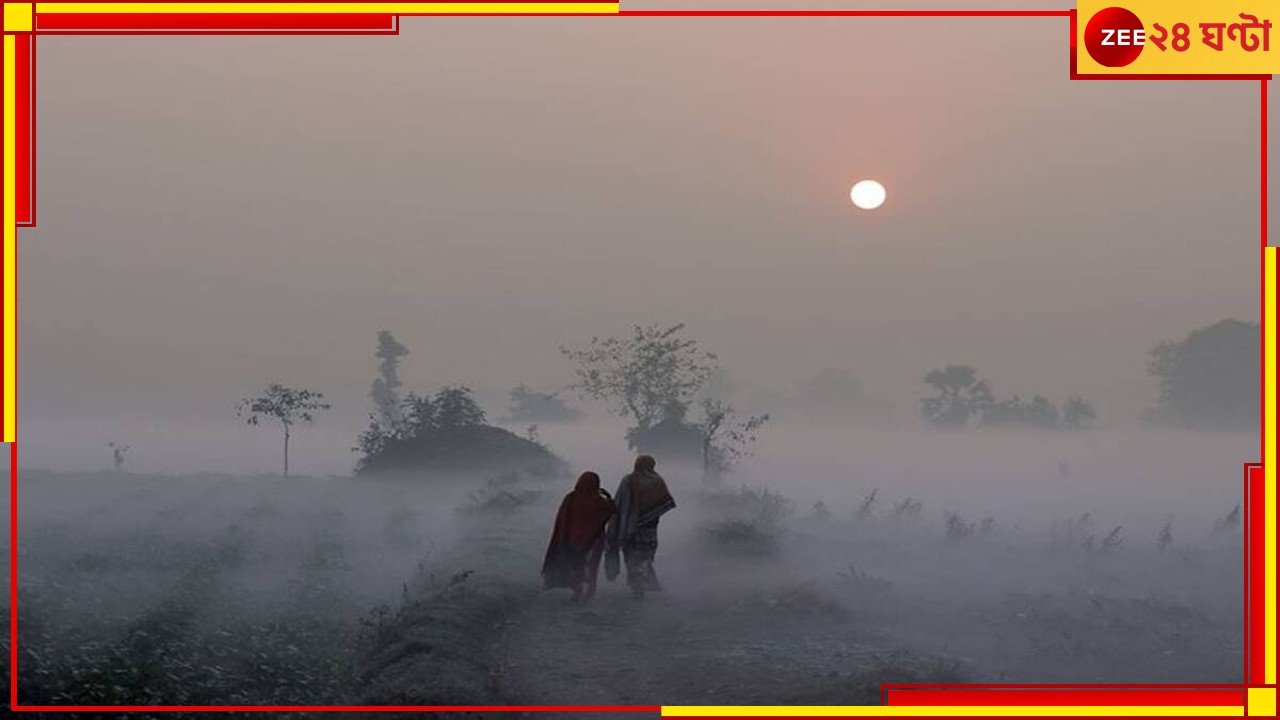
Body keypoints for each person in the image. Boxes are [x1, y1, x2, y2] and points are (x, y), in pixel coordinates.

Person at [605, 455, 676, 599]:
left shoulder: (628, 480)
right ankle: (641, 580)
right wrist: (650, 515)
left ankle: (636, 583)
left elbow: (619, 502)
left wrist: (620, 520)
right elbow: (664, 504)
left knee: (630, 555)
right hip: (650, 528)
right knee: (646, 556)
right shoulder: (658, 481)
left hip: (630, 527)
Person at [542, 471, 616, 603]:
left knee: (575, 565)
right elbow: (611, 509)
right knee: (590, 567)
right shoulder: (599, 501)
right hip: (593, 541)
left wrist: (562, 537)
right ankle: (587, 593)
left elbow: (562, 518)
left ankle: (577, 591)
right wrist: (608, 496)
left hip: (572, 541)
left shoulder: (571, 498)